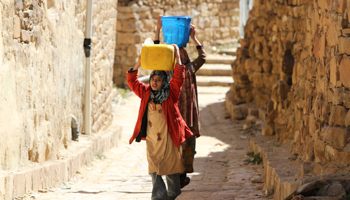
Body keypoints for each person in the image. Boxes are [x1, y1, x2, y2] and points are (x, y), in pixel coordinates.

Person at [127, 44, 194, 200]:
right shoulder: (145, 92)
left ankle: (173, 193)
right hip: (152, 137)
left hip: (169, 136)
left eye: (158, 80)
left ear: (164, 81)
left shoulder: (171, 93)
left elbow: (178, 77)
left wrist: (177, 57)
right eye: (152, 79)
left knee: (170, 166)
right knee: (153, 166)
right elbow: (133, 82)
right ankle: (159, 196)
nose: (155, 82)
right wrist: (138, 64)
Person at [154, 16, 207, 188]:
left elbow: (156, 55)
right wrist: (194, 38)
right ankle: (179, 175)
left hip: (179, 115)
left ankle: (180, 175)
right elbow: (203, 56)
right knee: (179, 144)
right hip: (181, 114)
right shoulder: (185, 69)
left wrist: (158, 30)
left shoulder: (175, 70)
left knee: (179, 143)